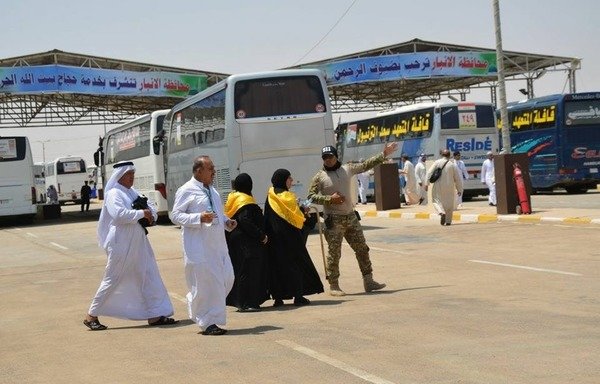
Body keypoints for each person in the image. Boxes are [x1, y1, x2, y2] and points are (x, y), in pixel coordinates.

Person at [83, 161, 176, 331]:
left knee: (147, 274)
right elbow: (119, 215)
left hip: (138, 239)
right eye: (128, 174)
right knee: (113, 277)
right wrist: (142, 213)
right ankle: (91, 315)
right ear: (120, 176)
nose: (131, 177)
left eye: (133, 174)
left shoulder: (131, 192)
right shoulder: (114, 193)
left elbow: (150, 207)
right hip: (121, 241)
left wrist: (150, 214)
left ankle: (155, 315)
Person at [307, 143, 397, 296]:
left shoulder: (347, 169)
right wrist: (329, 199)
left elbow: (365, 165)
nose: (328, 160)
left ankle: (369, 281)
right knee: (334, 253)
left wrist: (384, 154)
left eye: (330, 157)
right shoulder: (319, 177)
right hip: (333, 220)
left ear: (336, 157)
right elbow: (310, 197)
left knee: (362, 249)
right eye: (325, 158)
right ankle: (334, 285)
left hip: (350, 216)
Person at [171, 155, 237, 336]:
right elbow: (175, 216)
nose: (214, 172)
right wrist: (198, 218)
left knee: (227, 279)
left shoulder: (213, 191)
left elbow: (218, 214)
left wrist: (227, 222)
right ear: (199, 171)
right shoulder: (186, 190)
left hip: (218, 246)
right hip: (198, 247)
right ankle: (208, 322)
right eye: (211, 169)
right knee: (205, 285)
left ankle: (202, 310)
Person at [265, 168, 324, 307]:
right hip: (291, 240)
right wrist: (304, 211)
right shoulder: (288, 197)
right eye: (289, 178)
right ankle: (298, 296)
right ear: (283, 180)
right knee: (296, 267)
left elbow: (266, 218)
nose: (291, 181)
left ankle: (278, 299)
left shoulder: (270, 196)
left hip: (274, 240)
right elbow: (297, 218)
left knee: (277, 268)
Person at [224, 173, 269, 313]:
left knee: (240, 270)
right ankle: (248, 302)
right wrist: (261, 236)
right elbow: (245, 220)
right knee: (249, 271)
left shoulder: (233, 198)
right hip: (247, 243)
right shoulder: (245, 201)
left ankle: (240, 301)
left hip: (236, 241)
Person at [425, 149, 463, 226]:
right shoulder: (452, 165)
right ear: (449, 155)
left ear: (442, 155)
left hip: (438, 185)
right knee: (449, 203)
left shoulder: (437, 162)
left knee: (435, 200)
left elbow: (429, 172)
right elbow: (457, 178)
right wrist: (459, 189)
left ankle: (441, 212)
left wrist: (426, 183)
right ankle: (448, 221)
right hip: (450, 186)